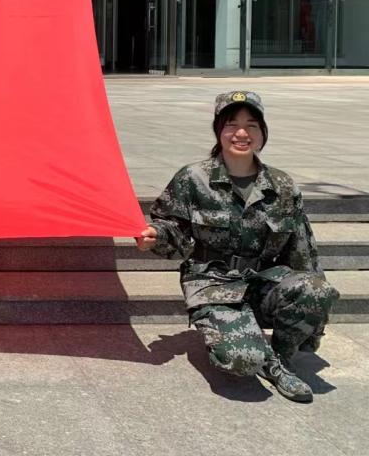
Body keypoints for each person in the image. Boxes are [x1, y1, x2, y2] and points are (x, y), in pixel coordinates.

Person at [136, 91, 339, 403]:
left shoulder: (282, 185)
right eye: (232, 124)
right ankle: (247, 344)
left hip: (263, 281)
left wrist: (314, 321)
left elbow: (303, 251)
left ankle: (281, 361)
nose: (241, 133)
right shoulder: (194, 178)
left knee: (318, 288)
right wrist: (155, 235)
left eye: (251, 125)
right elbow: (171, 225)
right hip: (213, 283)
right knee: (242, 360)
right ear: (219, 130)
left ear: (262, 133)